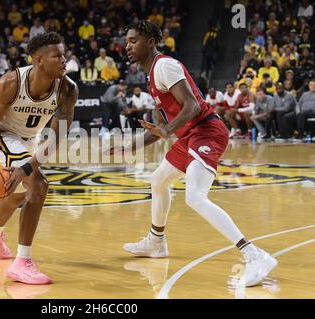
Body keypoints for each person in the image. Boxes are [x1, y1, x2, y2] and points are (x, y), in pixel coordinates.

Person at [118, 20, 277, 287]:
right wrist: (128, 147)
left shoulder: (165, 66)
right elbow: (161, 128)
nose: (128, 46)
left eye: (133, 41)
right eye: (127, 41)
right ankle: (156, 242)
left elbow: (191, 106)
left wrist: (167, 131)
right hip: (189, 135)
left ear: (149, 42)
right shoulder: (152, 76)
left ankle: (254, 254)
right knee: (157, 181)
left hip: (207, 131)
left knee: (194, 196)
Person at [0, 32, 78, 285]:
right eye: (57, 56)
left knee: (19, 194)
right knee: (39, 184)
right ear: (39, 60)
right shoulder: (10, 82)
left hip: (30, 139)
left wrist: (27, 166)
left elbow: (56, 138)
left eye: (64, 54)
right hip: (5, 136)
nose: (65, 60)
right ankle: (22, 262)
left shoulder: (67, 89)